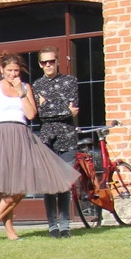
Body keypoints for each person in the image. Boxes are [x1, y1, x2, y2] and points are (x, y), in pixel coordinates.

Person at [0, 55, 77, 241]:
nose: (13, 74)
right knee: (3, 187)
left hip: (21, 135)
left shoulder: (26, 88)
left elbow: (30, 115)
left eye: (16, 71)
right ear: (2, 70)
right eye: (9, 71)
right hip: (0, 135)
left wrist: (21, 92)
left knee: (22, 185)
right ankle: (10, 232)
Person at [31, 52, 81, 240]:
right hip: (47, 139)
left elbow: (73, 109)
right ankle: (52, 226)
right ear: (40, 64)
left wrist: (48, 104)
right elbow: (39, 114)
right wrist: (62, 108)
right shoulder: (37, 85)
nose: (48, 65)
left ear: (57, 62)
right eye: (45, 62)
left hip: (67, 136)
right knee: (50, 184)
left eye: (52, 61)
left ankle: (65, 226)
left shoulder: (70, 81)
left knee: (64, 183)